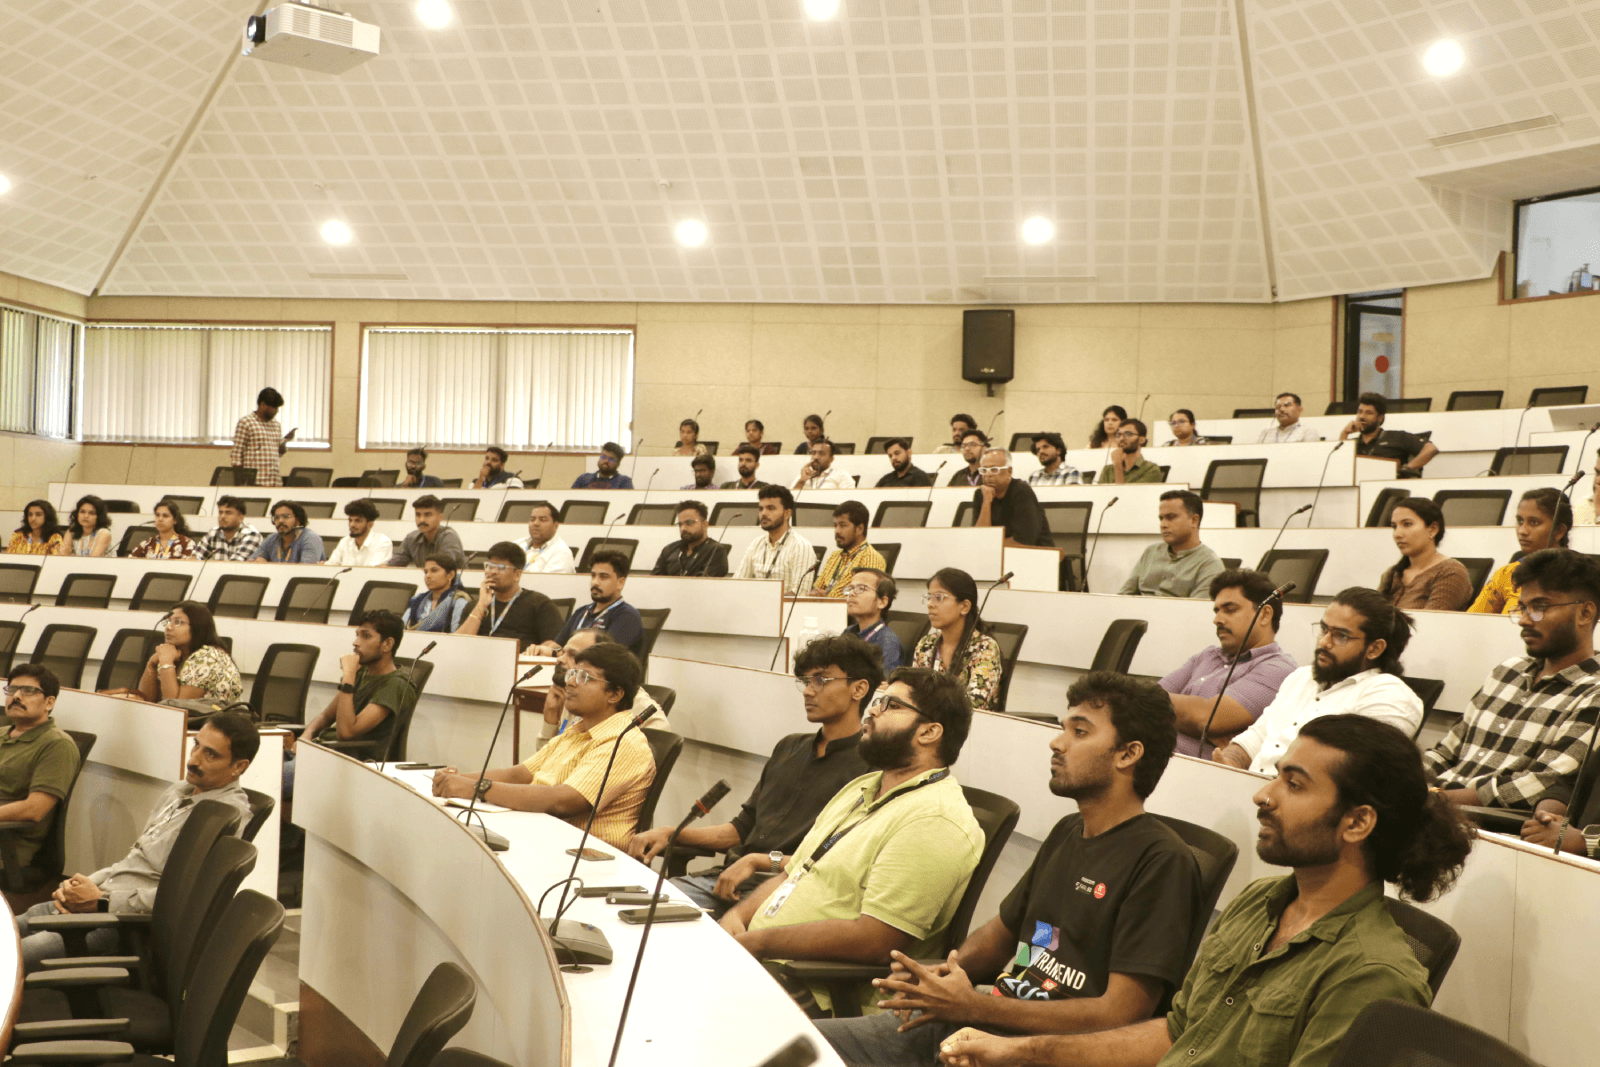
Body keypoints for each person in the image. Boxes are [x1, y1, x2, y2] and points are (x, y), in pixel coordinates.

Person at [935, 715, 1474, 1067]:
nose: (1264, 795)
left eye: (1295, 784)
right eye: (1277, 775)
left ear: (1356, 823)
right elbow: (1177, 1032)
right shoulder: (1259, 902)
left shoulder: (1373, 975)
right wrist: (1023, 1052)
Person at [819, 672, 1203, 1064]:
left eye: (1080, 732)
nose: (1057, 742)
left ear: (1127, 754)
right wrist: (944, 977)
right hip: (983, 1024)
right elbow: (998, 936)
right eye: (1062, 729)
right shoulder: (1069, 831)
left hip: (1039, 1051)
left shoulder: (1162, 861)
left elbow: (1121, 1014)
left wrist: (975, 1008)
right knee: (797, 1044)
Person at [721, 667, 984, 1017]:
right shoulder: (864, 787)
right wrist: (737, 916)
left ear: (929, 731)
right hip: (764, 962)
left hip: (817, 992)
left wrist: (759, 941)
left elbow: (874, 941)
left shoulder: (934, 820)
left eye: (890, 705)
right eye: (877, 701)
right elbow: (795, 872)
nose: (872, 711)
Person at [628, 634, 876, 915]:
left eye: (820, 680)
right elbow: (741, 829)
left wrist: (760, 861)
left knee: (647, 920)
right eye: (805, 682)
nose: (808, 691)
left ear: (859, 689)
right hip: (729, 879)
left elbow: (835, 859)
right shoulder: (789, 747)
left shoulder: (870, 768)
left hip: (790, 892)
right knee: (626, 901)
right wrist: (672, 832)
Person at [14, 712, 257, 970]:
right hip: (102, 898)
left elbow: (185, 897)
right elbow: (135, 860)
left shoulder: (225, 817)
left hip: (125, 922)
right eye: (196, 745)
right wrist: (79, 887)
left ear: (238, 766)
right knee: (10, 928)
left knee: (12, 957)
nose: (194, 759)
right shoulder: (178, 792)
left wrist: (101, 902)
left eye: (211, 754)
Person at [431, 642, 653, 848]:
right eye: (573, 673)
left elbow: (564, 801)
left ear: (615, 694)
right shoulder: (577, 730)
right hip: (542, 835)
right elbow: (521, 774)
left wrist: (475, 788)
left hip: (583, 855)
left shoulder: (623, 742)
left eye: (585, 677)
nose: (571, 682)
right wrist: (456, 780)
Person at [1426, 548, 1600, 811]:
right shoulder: (1507, 671)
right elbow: (1444, 752)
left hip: (1486, 824)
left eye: (1539, 607)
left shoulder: (1593, 692)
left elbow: (1541, 784)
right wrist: (1406, 782)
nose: (1523, 620)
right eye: (1522, 608)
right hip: (1432, 807)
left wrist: (1432, 799)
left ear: (1585, 614)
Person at [1213, 588, 1423, 774]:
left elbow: (1354, 774)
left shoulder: (1389, 694)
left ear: (1375, 648)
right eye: (1324, 629)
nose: (1324, 642)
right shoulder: (1301, 677)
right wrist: (1230, 761)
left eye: (1341, 636)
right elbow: (1259, 735)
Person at [1162, 570, 1298, 759]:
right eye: (1217, 610)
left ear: (1265, 615)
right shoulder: (1208, 655)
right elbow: (1142, 698)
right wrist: (1190, 720)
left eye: (1230, 609)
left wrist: (1198, 720)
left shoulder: (1278, 668)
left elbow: (1208, 718)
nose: (1217, 619)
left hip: (1187, 770)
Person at [287, 610, 419, 789]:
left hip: (350, 762)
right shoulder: (362, 672)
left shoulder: (396, 685)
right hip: (321, 752)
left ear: (387, 644)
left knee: (270, 778)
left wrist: (348, 675)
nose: (355, 643)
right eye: (357, 635)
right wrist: (307, 735)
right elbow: (326, 717)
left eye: (366, 636)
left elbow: (346, 734)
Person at [531, 629, 669, 751]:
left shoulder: (647, 715)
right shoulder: (571, 691)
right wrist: (551, 717)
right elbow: (543, 761)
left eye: (573, 655)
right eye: (562, 653)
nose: (560, 659)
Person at [0, 665, 82, 869]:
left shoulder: (57, 744)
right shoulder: (1, 733)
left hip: (8, 847)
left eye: (28, 691)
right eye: (11, 689)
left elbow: (34, 809)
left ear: (49, 702)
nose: (16, 696)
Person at [913, 567, 1004, 711]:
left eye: (939, 598)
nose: (930, 604)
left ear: (964, 607)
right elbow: (913, 691)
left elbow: (975, 702)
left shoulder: (984, 647)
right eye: (929, 597)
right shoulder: (926, 644)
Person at [1471, 488, 1573, 614]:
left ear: (1559, 531)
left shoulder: (1578, 576)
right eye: (1520, 521)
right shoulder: (1506, 573)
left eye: (1534, 522)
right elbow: (1474, 620)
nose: (1522, 531)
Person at [456, 542, 564, 651]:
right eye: (490, 566)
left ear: (517, 574)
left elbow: (555, 645)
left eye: (501, 567)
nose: (493, 572)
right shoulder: (474, 605)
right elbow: (458, 644)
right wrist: (480, 607)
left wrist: (539, 650)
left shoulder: (539, 604)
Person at [129, 602, 243, 705]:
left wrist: (166, 662)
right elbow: (146, 700)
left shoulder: (207, 656)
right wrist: (151, 665)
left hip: (216, 725)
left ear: (198, 627)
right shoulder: (174, 654)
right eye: (168, 621)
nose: (168, 627)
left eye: (178, 622)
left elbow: (175, 706)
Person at [1119, 491, 1224, 598]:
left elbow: (1195, 611)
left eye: (1171, 517)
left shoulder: (1210, 564)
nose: (1163, 525)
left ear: (1194, 520)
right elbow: (1123, 596)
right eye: (1161, 518)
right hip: (1136, 612)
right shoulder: (1151, 551)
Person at [1377, 496, 1472, 611]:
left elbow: (1429, 624)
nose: (1397, 534)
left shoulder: (1451, 572)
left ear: (1432, 530)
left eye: (1407, 524)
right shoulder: (1392, 574)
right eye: (1394, 526)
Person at [545, 549, 644, 653]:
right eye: (593, 576)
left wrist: (557, 653)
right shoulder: (582, 611)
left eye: (603, 577)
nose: (595, 582)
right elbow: (558, 644)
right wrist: (545, 650)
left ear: (620, 583)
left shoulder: (627, 616)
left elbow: (602, 656)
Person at [734, 485, 817, 596]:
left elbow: (799, 594)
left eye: (771, 508)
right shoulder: (756, 544)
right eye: (761, 508)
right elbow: (737, 583)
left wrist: (766, 600)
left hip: (785, 611)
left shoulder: (801, 546)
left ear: (787, 514)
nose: (763, 513)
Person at [1338, 392, 1438, 477]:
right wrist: (1345, 433)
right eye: (1360, 412)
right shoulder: (1353, 443)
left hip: (1390, 488)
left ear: (1380, 418)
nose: (1362, 416)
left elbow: (1431, 449)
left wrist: (1407, 468)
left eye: (1368, 413)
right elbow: (1339, 461)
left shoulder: (1397, 437)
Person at [974, 448, 1053, 548]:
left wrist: (990, 547)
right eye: (984, 470)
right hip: (997, 554)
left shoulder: (1021, 491)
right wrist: (986, 502)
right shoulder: (981, 494)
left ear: (1009, 471)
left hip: (1036, 554)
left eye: (994, 469)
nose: (988, 475)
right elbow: (980, 537)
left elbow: (1025, 541)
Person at [812, 501, 887, 597]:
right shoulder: (835, 556)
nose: (837, 531)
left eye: (843, 525)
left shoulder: (871, 558)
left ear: (859, 529)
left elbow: (863, 600)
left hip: (847, 611)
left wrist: (828, 599)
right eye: (835, 525)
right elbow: (817, 588)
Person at [229, 387, 292, 487]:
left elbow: (276, 454)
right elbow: (237, 456)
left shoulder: (276, 425)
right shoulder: (246, 423)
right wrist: (240, 484)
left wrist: (285, 441)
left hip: (275, 483)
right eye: (274, 407)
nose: (276, 411)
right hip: (255, 483)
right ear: (263, 405)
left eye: (277, 408)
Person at [844, 567, 903, 671]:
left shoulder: (887, 641)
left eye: (861, 588)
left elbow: (881, 685)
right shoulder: (849, 632)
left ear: (882, 602)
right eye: (850, 588)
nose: (851, 593)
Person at [387, 495, 467, 570]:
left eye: (427, 515)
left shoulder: (449, 537)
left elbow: (439, 569)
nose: (421, 520)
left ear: (440, 517)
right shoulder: (411, 538)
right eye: (418, 515)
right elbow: (392, 566)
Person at [652, 500, 730, 577]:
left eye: (689, 523)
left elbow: (706, 585)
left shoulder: (715, 551)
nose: (683, 528)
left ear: (705, 524)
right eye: (680, 524)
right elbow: (654, 581)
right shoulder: (669, 549)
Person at [402, 553, 472, 634]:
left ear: (451, 575)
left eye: (434, 570)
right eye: (426, 572)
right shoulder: (418, 599)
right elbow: (401, 629)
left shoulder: (458, 601)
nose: (428, 576)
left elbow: (457, 637)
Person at [325, 499, 394, 567]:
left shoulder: (383, 542)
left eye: (357, 521)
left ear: (370, 524)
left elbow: (373, 572)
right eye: (350, 520)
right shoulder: (344, 542)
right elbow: (330, 567)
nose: (352, 525)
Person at [193, 496, 263, 561]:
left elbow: (236, 565)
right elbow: (195, 559)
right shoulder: (213, 533)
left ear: (240, 518)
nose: (222, 516)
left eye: (228, 513)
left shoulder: (251, 534)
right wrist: (197, 559)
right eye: (220, 512)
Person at [254, 500, 326, 563]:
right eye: (276, 517)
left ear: (298, 520)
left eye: (286, 516)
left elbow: (306, 571)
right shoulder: (271, 539)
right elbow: (251, 562)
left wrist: (267, 565)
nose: (280, 521)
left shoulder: (311, 539)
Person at [515, 500, 576, 574]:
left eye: (543, 520)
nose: (536, 523)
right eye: (532, 519)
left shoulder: (562, 553)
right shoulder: (517, 545)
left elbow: (546, 584)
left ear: (555, 526)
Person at [129, 498, 198, 560]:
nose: (160, 519)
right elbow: (128, 563)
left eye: (165, 516)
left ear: (175, 520)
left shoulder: (186, 544)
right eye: (157, 515)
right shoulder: (146, 545)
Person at [1100, 420, 1163, 485]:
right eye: (1118, 435)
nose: (1121, 438)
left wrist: (1118, 466)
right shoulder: (1107, 470)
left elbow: (1128, 494)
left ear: (1141, 440)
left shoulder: (1151, 469)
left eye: (1128, 434)